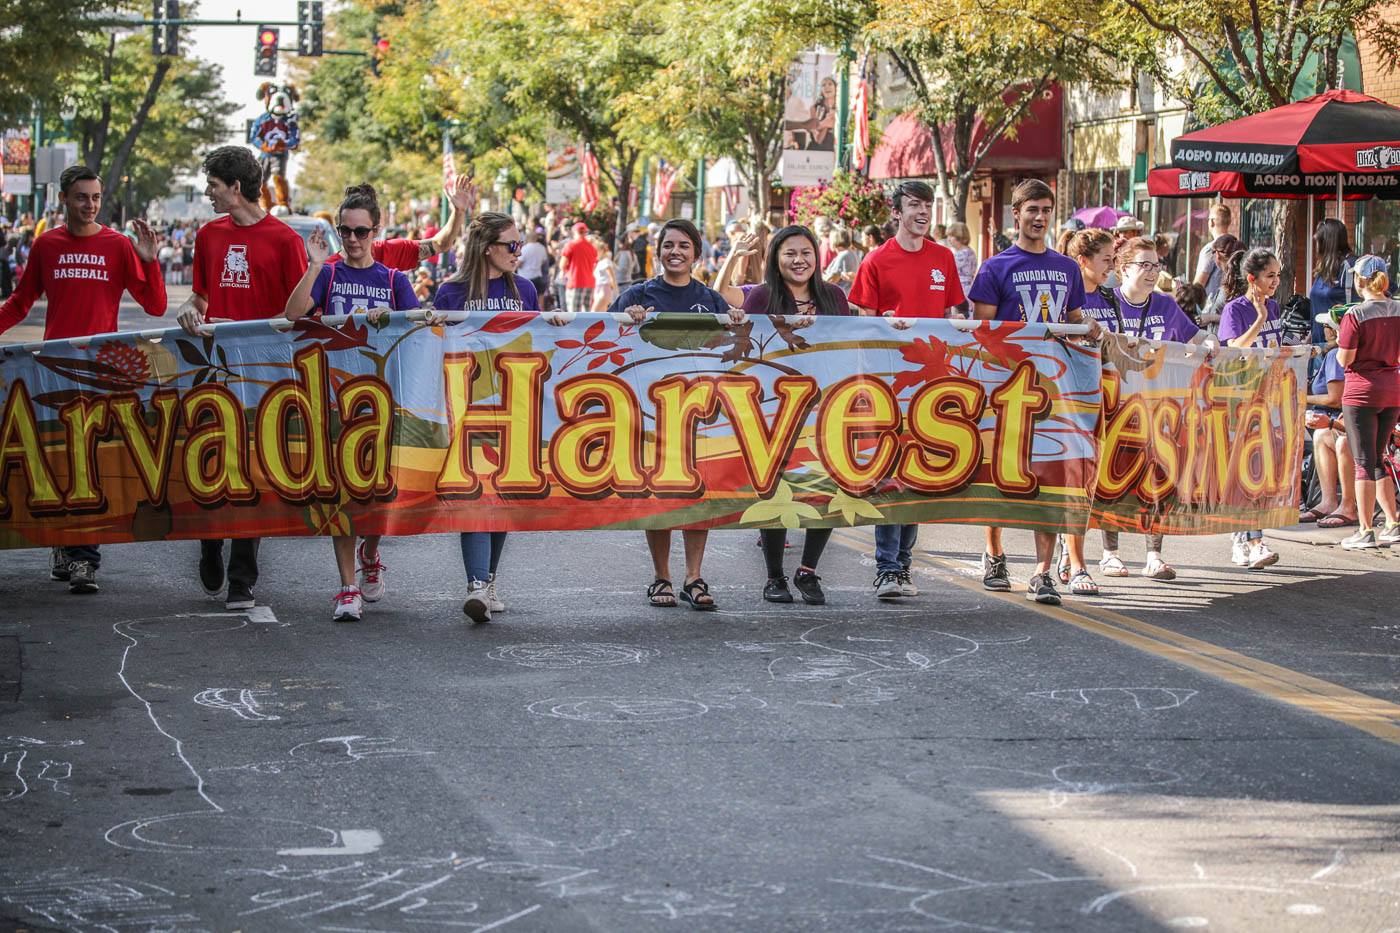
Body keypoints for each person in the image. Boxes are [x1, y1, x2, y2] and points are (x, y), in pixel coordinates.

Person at [0, 164, 167, 594]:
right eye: (81, 197)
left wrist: (150, 263)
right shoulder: (46, 245)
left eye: (95, 198)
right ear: (64, 200)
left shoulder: (116, 245)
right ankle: (63, 544)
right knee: (58, 461)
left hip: (100, 373)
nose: (90, 205)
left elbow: (155, 306)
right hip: (52, 370)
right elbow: (20, 303)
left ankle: (84, 561)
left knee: (89, 461)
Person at [176, 145, 309, 611]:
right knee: (212, 463)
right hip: (212, 370)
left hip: (265, 375)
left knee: (254, 474)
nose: (208, 193)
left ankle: (242, 577)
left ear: (236, 187)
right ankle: (210, 541)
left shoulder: (284, 240)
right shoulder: (209, 236)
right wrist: (189, 312)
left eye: (213, 185)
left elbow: (298, 313)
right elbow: (199, 298)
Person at [283, 184, 418, 622]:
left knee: (380, 494)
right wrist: (314, 266)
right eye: (346, 231)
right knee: (340, 494)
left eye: (361, 231)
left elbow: (419, 330)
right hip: (335, 400)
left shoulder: (395, 281)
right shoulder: (330, 274)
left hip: (385, 401)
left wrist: (394, 319)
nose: (354, 239)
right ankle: (346, 587)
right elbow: (293, 314)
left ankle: (371, 551)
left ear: (376, 231)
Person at [435, 212, 567, 620]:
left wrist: (553, 323)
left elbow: (535, 339)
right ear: (485, 247)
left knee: (504, 491)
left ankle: (488, 581)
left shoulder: (525, 288)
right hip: (468, 404)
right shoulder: (451, 291)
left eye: (519, 243)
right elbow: (437, 345)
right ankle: (476, 583)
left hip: (516, 402)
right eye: (511, 244)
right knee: (475, 491)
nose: (518, 251)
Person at [610, 219, 741, 611]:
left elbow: (730, 347)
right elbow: (604, 339)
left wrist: (735, 321)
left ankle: (693, 577)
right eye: (668, 245)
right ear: (658, 251)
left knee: (699, 494)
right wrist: (625, 320)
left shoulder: (710, 299)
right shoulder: (637, 295)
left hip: (702, 412)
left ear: (696, 254)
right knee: (660, 495)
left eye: (684, 246)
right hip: (651, 413)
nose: (675, 252)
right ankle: (661, 577)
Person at [968, 179, 1085, 606]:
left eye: (1046, 210)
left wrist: (1091, 332)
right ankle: (994, 553)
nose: (1039, 218)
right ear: (1015, 214)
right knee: (1001, 471)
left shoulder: (1068, 267)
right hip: (1005, 387)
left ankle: (1042, 571)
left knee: (1051, 476)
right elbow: (981, 330)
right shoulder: (994, 268)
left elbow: (1074, 320)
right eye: (1032, 209)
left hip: (1055, 387)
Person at [848, 180, 966, 600]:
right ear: (896, 213)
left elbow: (953, 318)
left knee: (917, 471)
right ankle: (887, 567)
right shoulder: (876, 260)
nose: (923, 212)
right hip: (888, 380)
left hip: (932, 384)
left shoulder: (944, 258)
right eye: (914, 205)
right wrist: (886, 326)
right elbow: (861, 324)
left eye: (927, 205)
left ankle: (904, 564)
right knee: (889, 470)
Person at [738, 226, 849, 604]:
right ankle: (774, 578)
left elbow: (849, 343)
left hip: (826, 405)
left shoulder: (833, 296)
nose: (799, 260)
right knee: (774, 488)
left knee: (829, 484)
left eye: (806, 252)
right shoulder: (761, 297)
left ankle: (808, 571)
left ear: (817, 257)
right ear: (775, 259)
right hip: (773, 406)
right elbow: (747, 346)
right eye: (790, 253)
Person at [1098, 236, 1219, 582]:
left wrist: (1209, 341)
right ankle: (1111, 554)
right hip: (1116, 405)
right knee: (1114, 481)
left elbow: (1196, 337)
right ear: (1123, 268)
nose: (1153, 272)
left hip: (1160, 408)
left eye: (1156, 265)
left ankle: (1154, 555)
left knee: (1158, 480)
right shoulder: (1108, 303)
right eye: (1144, 265)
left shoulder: (1165, 305)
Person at [1219, 247, 1284, 569]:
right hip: (1239, 402)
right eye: (1271, 275)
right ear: (1252, 278)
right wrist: (1259, 320)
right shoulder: (1236, 309)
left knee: (1259, 473)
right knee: (1246, 471)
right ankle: (1253, 541)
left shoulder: (1275, 307)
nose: (1276, 281)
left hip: (1269, 399)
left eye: (1278, 275)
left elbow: (1275, 348)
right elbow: (1234, 349)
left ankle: (1243, 538)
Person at [1336, 256, 1400, 549]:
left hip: (1362, 392)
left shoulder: (1355, 315)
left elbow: (1344, 358)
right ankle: (1392, 521)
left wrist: (1336, 337)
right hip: (1392, 390)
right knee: (1378, 457)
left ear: (1359, 281)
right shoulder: (1399, 309)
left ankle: (1364, 529)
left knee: (1363, 461)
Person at [1302, 303, 1357, 529]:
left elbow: (1335, 398)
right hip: (1339, 420)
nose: (1322, 329)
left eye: (1325, 325)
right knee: (1321, 436)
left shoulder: (1336, 355)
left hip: (1342, 419)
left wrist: (1303, 398)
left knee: (1335, 438)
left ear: (1333, 331)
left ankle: (1348, 504)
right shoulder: (1332, 353)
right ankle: (1328, 501)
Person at [1309, 218, 1356, 345]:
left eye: (1318, 241)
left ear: (1327, 243)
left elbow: (1384, 288)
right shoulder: (1325, 268)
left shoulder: (1351, 266)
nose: (1316, 246)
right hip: (1317, 344)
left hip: (1340, 346)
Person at [1193, 204, 1232, 299]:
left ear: (1212, 222)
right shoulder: (1237, 245)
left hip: (1212, 308)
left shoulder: (1210, 249)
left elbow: (1199, 285)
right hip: (1232, 304)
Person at [558, 221, 597, 313]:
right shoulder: (592, 247)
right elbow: (595, 264)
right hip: (590, 282)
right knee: (586, 313)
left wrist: (564, 272)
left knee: (574, 313)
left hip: (575, 281)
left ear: (574, 231)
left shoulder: (571, 245)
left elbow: (562, 264)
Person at [822, 227, 861, 295]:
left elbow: (832, 280)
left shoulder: (844, 255)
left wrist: (822, 277)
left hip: (841, 295)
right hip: (848, 294)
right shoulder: (851, 252)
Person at [947, 221, 977, 304]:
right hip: (968, 288)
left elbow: (947, 270)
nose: (948, 239)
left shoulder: (962, 254)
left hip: (961, 289)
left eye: (951, 236)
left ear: (959, 237)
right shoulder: (969, 251)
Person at [517, 228, 550, 300]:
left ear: (527, 238)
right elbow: (544, 261)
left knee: (525, 299)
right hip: (538, 275)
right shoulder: (542, 247)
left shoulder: (525, 248)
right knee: (539, 298)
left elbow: (519, 264)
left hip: (526, 277)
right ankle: (541, 311)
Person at [589, 236, 619, 311]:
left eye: (597, 251)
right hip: (599, 289)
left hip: (604, 290)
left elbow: (612, 277)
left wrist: (616, 293)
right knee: (600, 315)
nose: (595, 253)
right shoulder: (599, 262)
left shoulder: (606, 261)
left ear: (602, 250)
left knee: (593, 313)